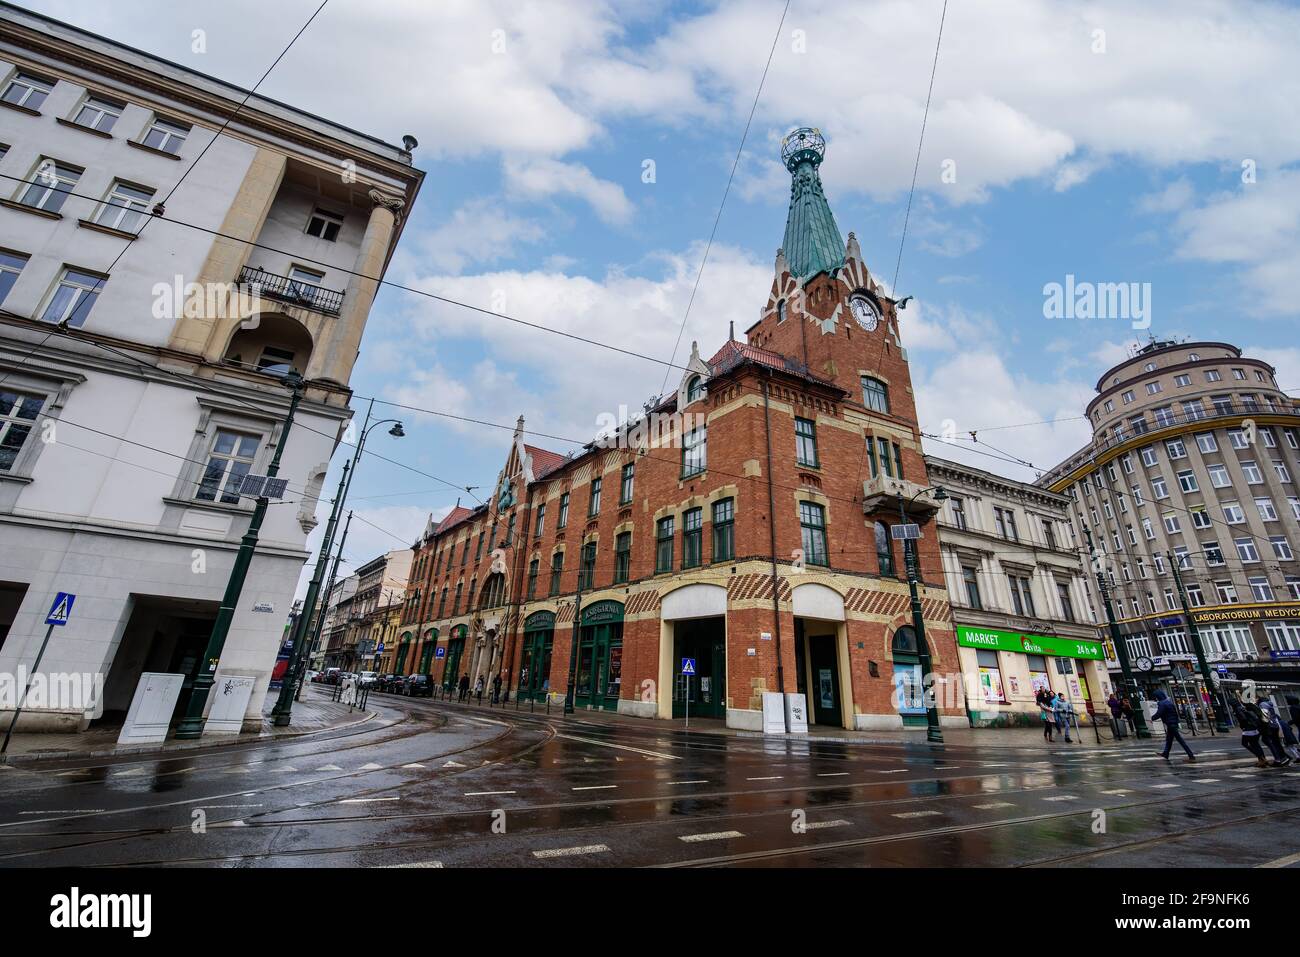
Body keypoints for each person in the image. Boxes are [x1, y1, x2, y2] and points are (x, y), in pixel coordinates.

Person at [1152, 690, 1196, 761]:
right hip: (1173, 723)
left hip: (1170, 723)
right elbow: (1175, 713)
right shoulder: (1169, 702)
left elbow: (1159, 713)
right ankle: (1165, 753)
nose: (1155, 698)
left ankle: (1191, 756)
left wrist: (1152, 718)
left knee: (1180, 740)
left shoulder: (1162, 703)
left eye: (1156, 697)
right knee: (1169, 740)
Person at [1231, 696, 1271, 768]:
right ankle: (1262, 759)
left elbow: (1243, 718)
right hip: (1255, 727)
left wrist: (1242, 726)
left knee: (1245, 743)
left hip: (1248, 729)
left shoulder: (1237, 709)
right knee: (1255, 744)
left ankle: (1261, 758)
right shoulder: (1243, 707)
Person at [1258, 698, 1293, 766]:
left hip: (1270, 726)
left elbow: (1265, 717)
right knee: (1276, 743)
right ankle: (1284, 757)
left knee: (1272, 743)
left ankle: (1278, 759)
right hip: (1275, 725)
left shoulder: (1262, 705)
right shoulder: (1269, 704)